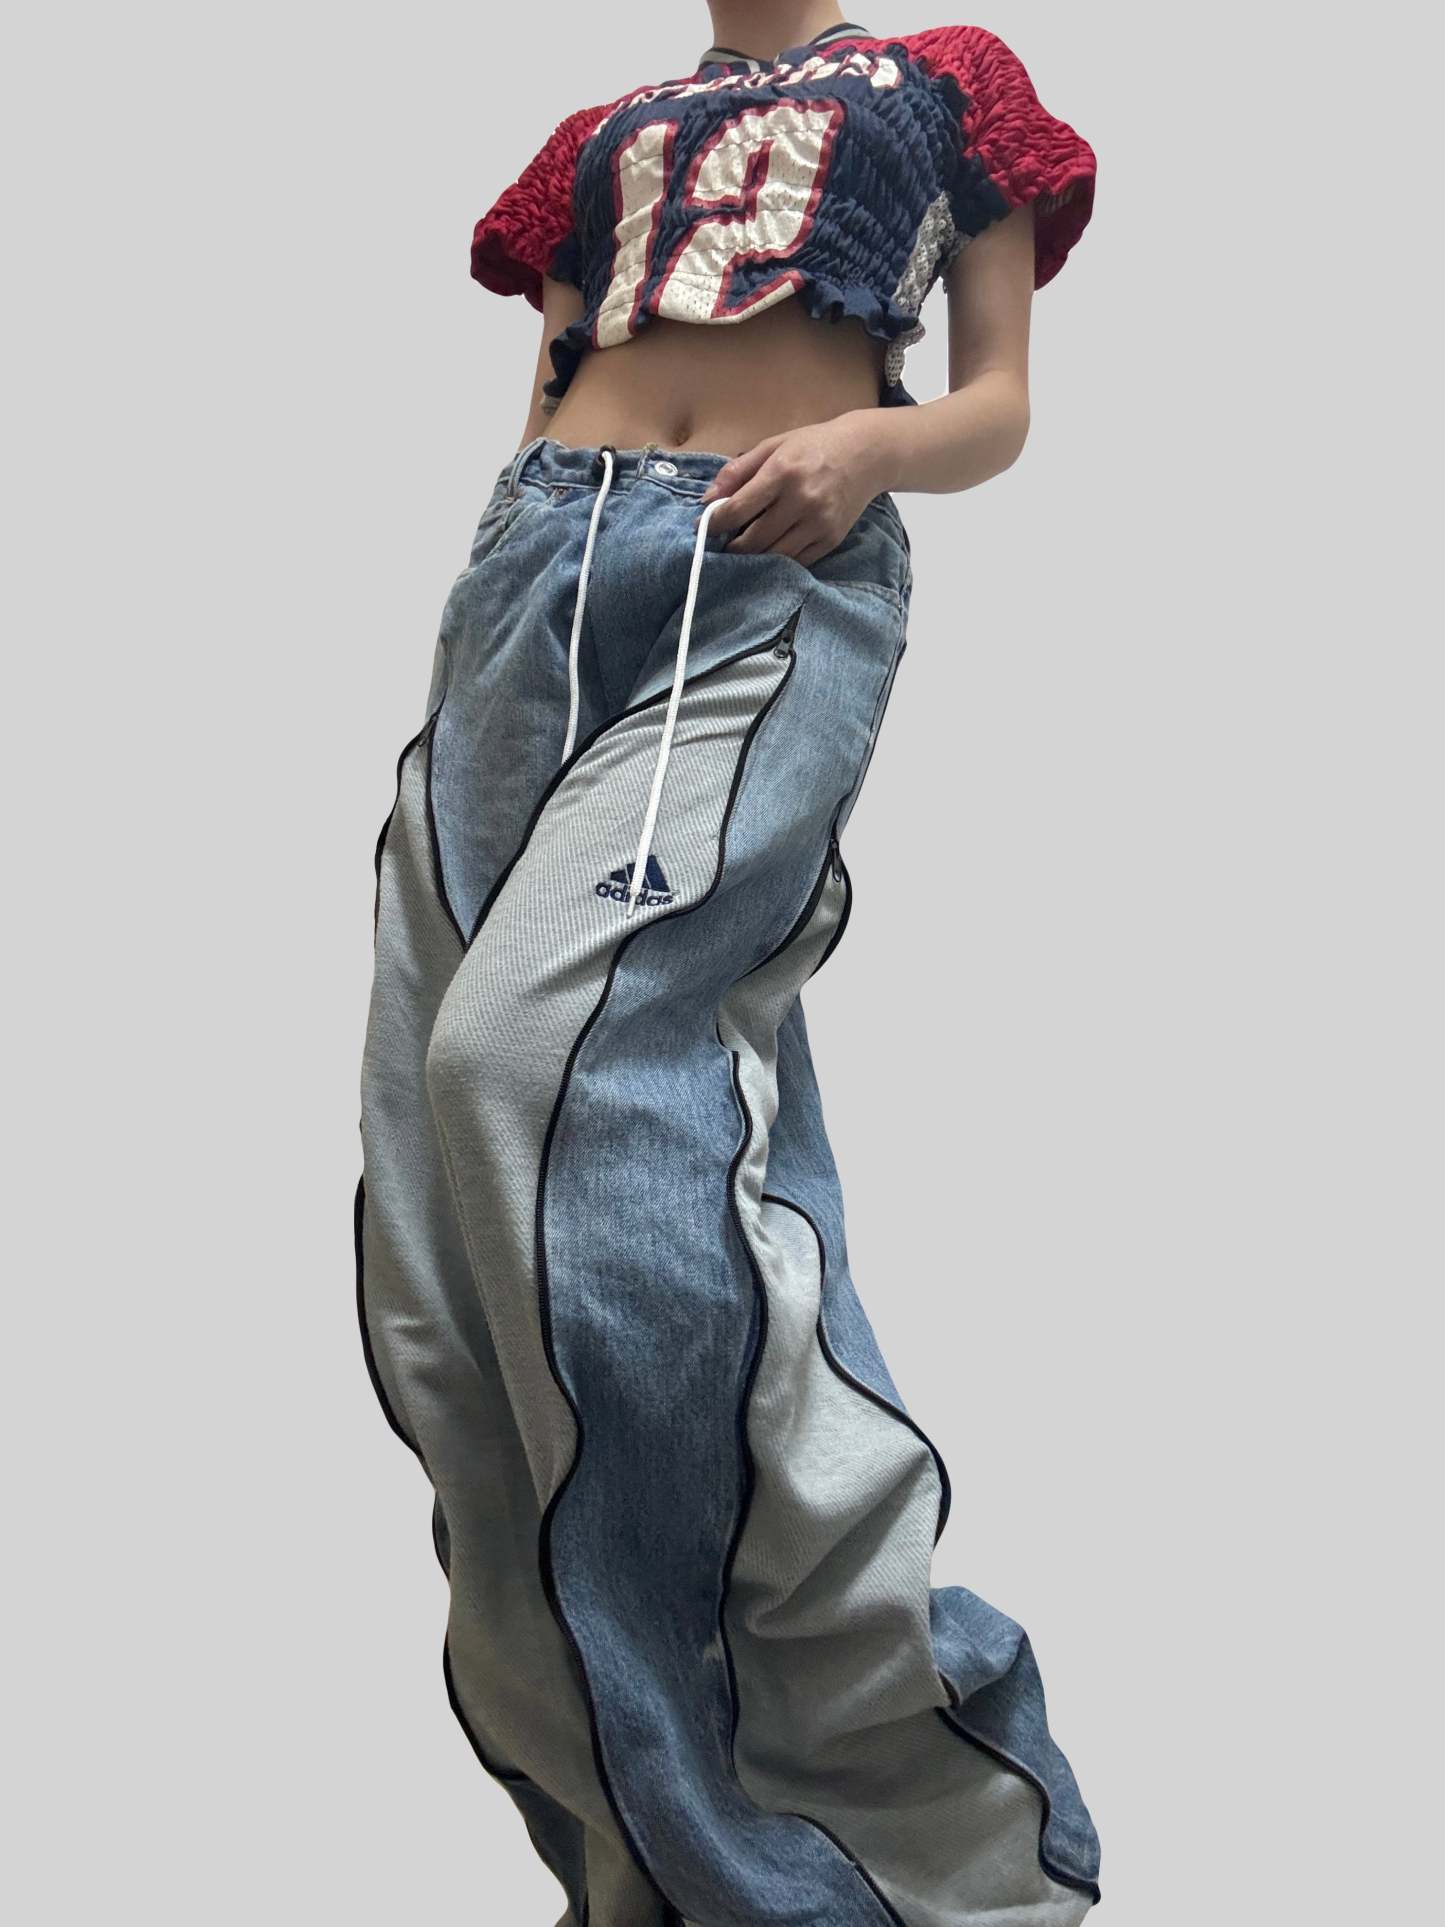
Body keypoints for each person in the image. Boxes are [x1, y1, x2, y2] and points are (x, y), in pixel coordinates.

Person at [356, 8, 1101, 1923]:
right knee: (452, 1233)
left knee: (524, 1069)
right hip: (533, 571)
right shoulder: (600, 129)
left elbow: (998, 405)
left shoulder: (943, 80)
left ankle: (875, 1796)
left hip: (765, 566)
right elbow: (548, 381)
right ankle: (646, 1851)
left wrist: (870, 445)